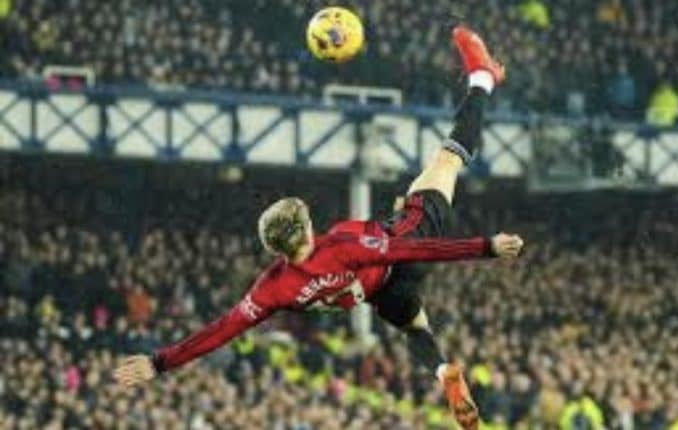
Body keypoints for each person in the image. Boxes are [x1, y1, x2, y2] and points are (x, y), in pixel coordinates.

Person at [114, 26, 521, 430]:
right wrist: (485, 246)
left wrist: (160, 362)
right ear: (307, 229)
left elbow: (220, 330)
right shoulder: (341, 245)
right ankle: (482, 78)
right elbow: (412, 251)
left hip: (381, 295)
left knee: (417, 329)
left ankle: (442, 370)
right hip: (404, 243)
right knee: (448, 159)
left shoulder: (272, 288)